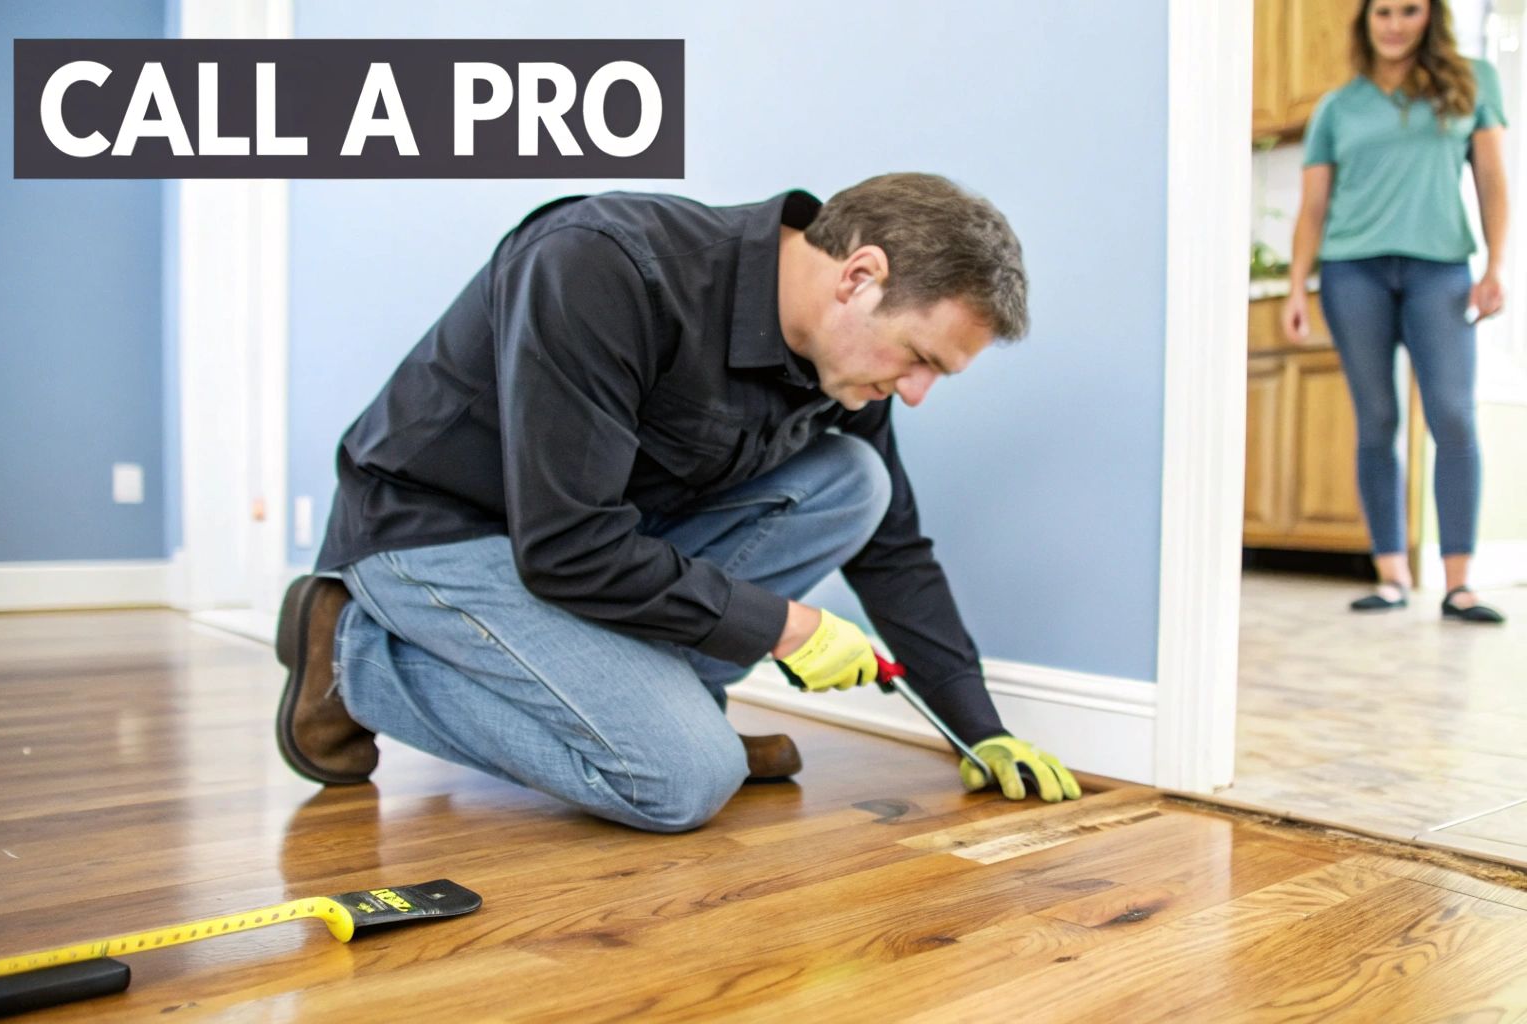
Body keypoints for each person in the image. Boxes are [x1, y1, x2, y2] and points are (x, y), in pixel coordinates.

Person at [273, 173, 1083, 833]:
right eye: (918, 359)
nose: (914, 395)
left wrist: (980, 726)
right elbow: (569, 546)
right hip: (438, 532)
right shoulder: (602, 263)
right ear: (859, 276)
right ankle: (351, 655)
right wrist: (787, 626)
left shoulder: (844, 370)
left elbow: (894, 550)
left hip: (586, 547)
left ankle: (673, 702)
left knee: (855, 483)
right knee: (680, 780)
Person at [1282, 0, 1509, 624]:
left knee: (1453, 416)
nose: (1394, 23)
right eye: (1382, 11)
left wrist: (1496, 265)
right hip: (1354, 271)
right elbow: (1312, 208)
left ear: (1429, 17)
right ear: (1366, 21)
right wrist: (1298, 288)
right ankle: (1390, 575)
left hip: (1441, 269)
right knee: (1376, 418)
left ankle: (1459, 584)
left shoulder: (1473, 83)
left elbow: (1492, 178)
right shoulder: (1337, 108)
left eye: (1408, 10)